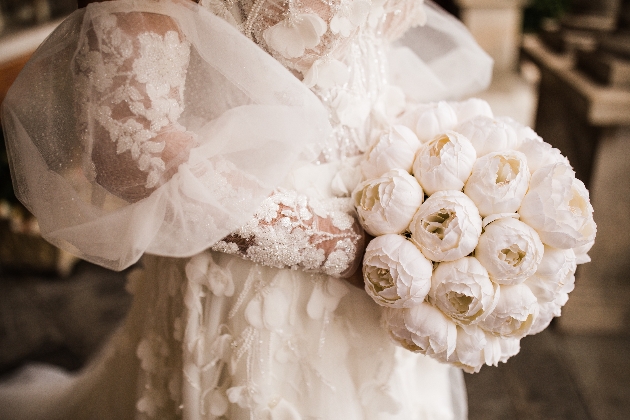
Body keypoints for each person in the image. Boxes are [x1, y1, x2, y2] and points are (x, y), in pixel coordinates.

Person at [0, 0, 491, 418]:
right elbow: (128, 149)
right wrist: (345, 249)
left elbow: (366, 65)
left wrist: (433, 185)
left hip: (397, 234)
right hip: (257, 262)